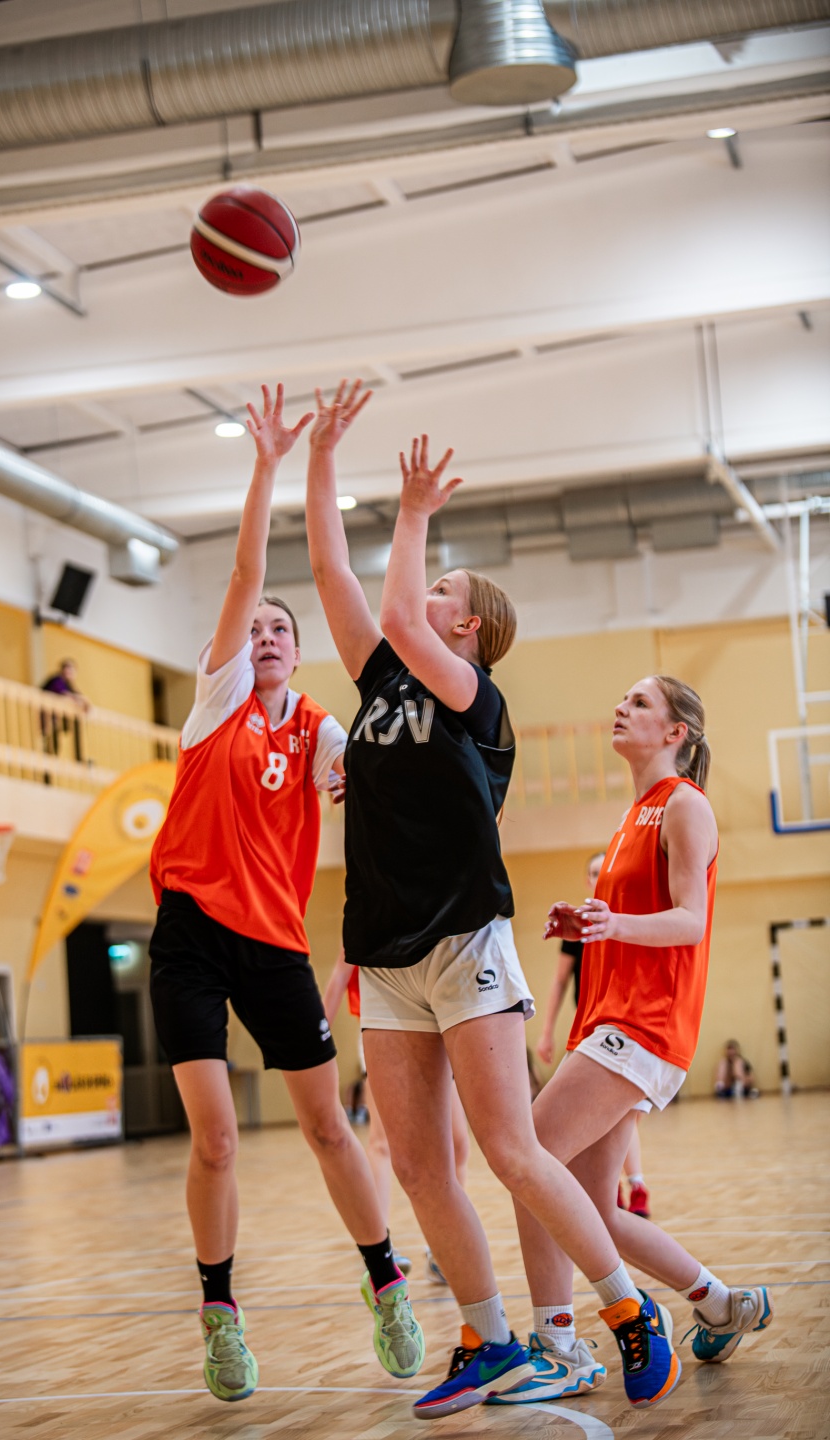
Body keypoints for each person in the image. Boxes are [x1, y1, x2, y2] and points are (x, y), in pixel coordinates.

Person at [306, 382, 677, 1419]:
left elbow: (390, 607)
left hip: (465, 938)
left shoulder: (477, 700)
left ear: (464, 625)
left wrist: (413, 510)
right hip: (384, 950)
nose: (417, 598)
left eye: (439, 589)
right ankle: (489, 1338)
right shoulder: (379, 686)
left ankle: (628, 1311)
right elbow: (334, 572)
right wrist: (320, 455)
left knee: (512, 1150)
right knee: (422, 1167)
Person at [147, 384, 424, 1406]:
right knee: (217, 1137)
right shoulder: (217, 701)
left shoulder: (319, 729)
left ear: (298, 655)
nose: (263, 633)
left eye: (279, 630)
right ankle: (220, 1313)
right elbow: (245, 571)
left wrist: (359, 784)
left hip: (273, 944)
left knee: (325, 1128)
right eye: (255, 626)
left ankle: (387, 1285)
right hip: (188, 934)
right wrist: (268, 460)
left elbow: (364, 777)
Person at [499, 675, 773, 1409]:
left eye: (640, 702)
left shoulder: (684, 805)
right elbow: (634, 920)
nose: (621, 708)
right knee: (594, 1210)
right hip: (612, 1020)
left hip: (644, 1025)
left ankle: (558, 1344)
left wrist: (614, 923)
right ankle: (720, 1303)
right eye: (623, 699)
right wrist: (591, 923)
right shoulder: (635, 812)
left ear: (676, 732)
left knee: (528, 1158)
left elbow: (690, 920)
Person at [323, 948, 471, 1285]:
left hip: (438, 1026)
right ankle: (380, 1245)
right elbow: (338, 978)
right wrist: (316, 1040)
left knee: (458, 1143)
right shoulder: (363, 926)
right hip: (383, 1028)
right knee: (382, 1143)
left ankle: (444, 1248)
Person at [537, 851, 651, 1220]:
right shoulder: (579, 926)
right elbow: (559, 982)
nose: (599, 876)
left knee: (622, 1114)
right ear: (587, 881)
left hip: (625, 1028)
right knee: (596, 1116)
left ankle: (635, 1184)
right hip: (589, 1028)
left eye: (604, 870)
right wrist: (546, 1032)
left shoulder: (632, 921)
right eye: (593, 872)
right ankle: (611, 1186)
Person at [40, 658, 89, 764]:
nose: (69, 672)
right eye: (67, 668)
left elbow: (77, 696)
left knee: (75, 721)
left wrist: (84, 701)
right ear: (62, 670)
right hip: (48, 716)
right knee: (53, 737)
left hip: (56, 717)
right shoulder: (57, 680)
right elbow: (65, 695)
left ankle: (77, 757)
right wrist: (80, 700)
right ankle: (54, 756)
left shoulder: (68, 685)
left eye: (72, 670)